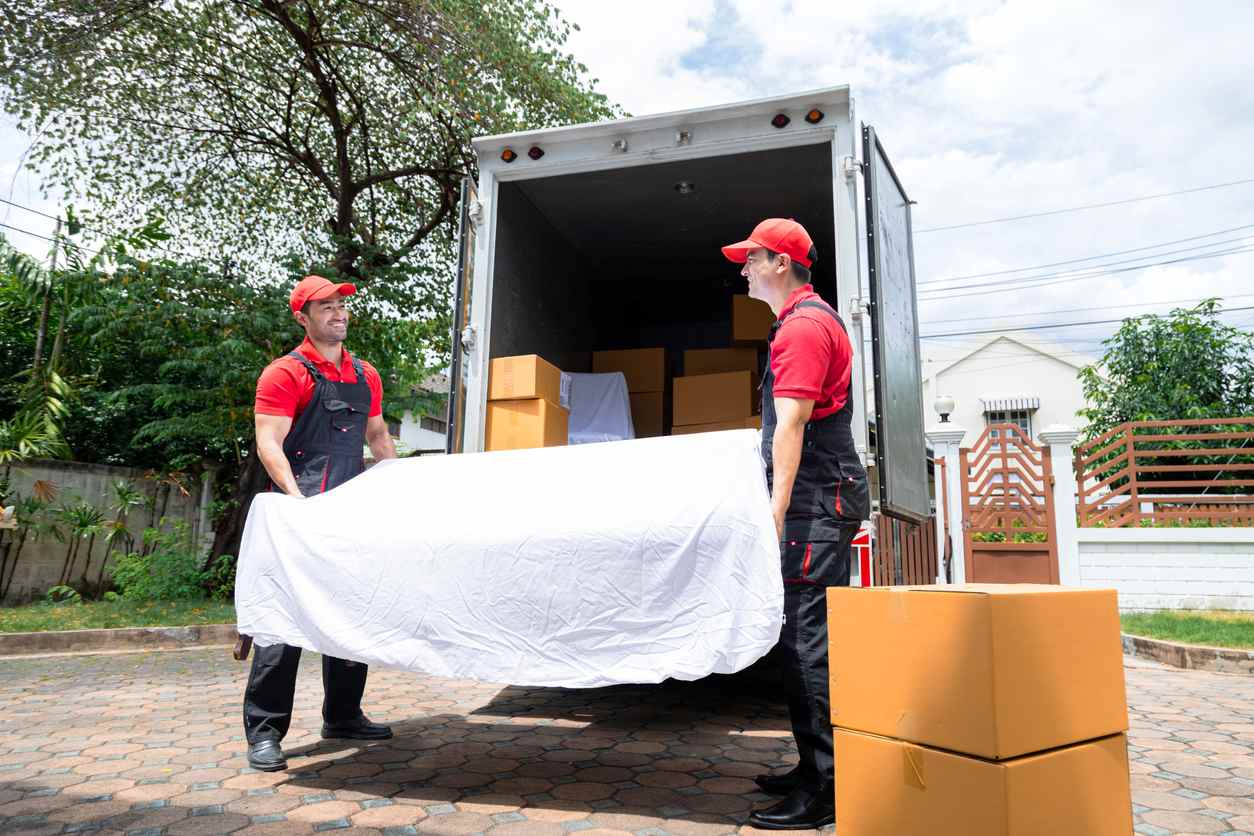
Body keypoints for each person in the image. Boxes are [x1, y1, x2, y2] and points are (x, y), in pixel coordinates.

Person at [721, 219, 869, 830]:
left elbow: (793, 425)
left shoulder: (803, 329)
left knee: (807, 643)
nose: (745, 269)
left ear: (780, 262)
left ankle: (825, 789)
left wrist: (775, 511)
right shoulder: (807, 320)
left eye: (751, 259)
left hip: (814, 499)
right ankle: (813, 770)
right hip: (821, 493)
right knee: (801, 640)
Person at [241, 274, 399, 772]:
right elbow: (270, 442)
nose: (338, 313)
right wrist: (297, 502)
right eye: (325, 306)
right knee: (282, 623)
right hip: (298, 513)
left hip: (350, 513)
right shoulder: (285, 373)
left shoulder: (364, 374)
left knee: (353, 614)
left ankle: (344, 715)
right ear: (303, 316)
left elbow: (377, 436)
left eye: (341, 305)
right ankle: (265, 731)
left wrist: (397, 488)